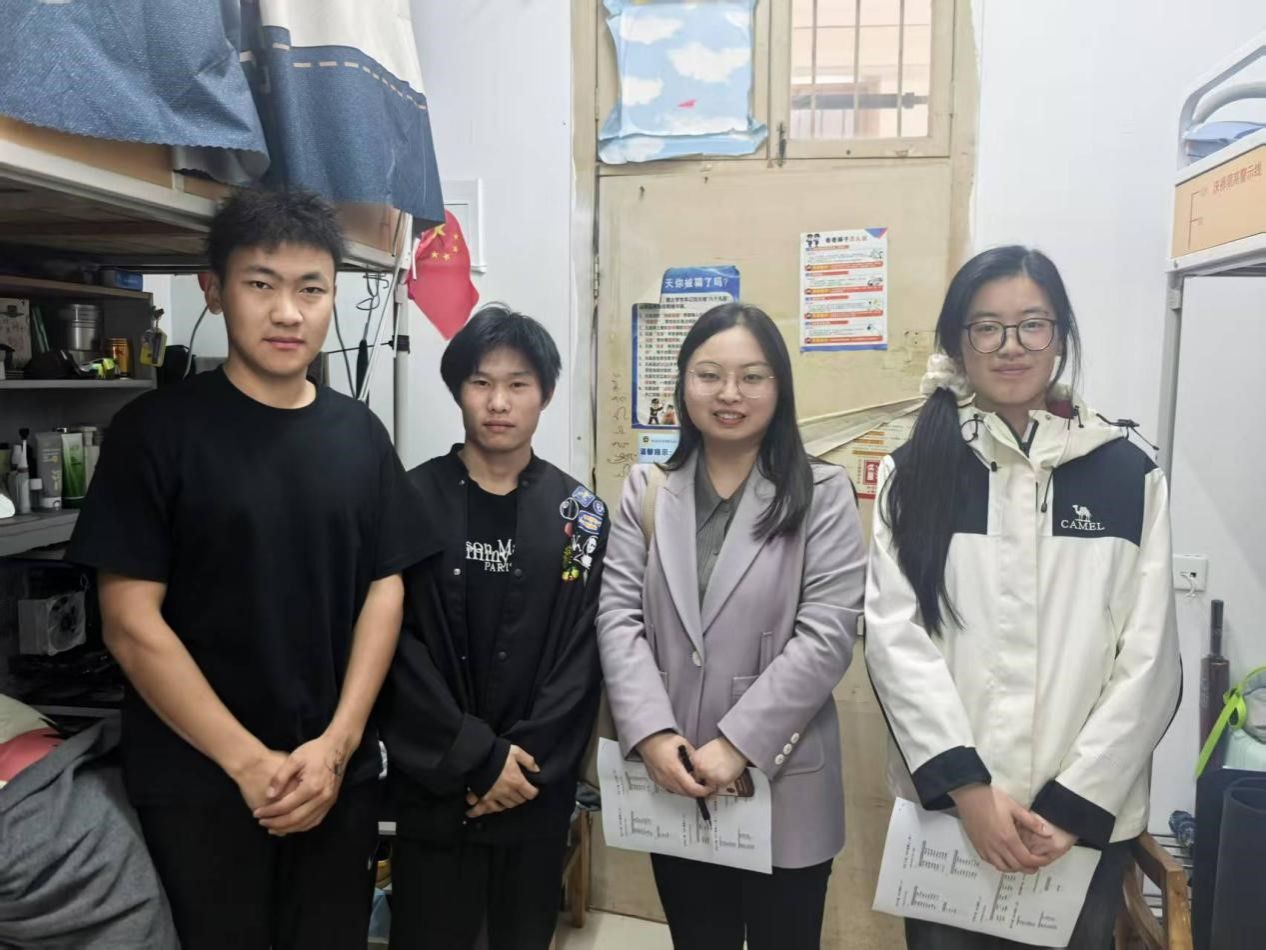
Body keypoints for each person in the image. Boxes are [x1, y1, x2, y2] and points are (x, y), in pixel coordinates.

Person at [66, 188, 428, 950]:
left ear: (333, 295)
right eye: (261, 284)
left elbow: (384, 588)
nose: (288, 313)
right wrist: (249, 763)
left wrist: (336, 747)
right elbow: (130, 624)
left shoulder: (360, 436)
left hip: (335, 781)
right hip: (201, 786)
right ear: (214, 288)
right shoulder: (154, 432)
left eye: (311, 289)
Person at [864, 246, 1182, 949]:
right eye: (987, 327)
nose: (1011, 346)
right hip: (954, 821)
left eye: (1032, 325)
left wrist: (1073, 805)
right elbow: (895, 641)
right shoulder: (914, 473)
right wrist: (970, 792)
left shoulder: (1127, 477)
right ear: (959, 343)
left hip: (1080, 829)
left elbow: (1150, 658)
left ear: (1060, 337)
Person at [596, 302, 865, 949]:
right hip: (675, 773)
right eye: (709, 374)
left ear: (780, 387)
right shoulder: (648, 488)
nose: (729, 394)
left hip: (784, 780)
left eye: (752, 376)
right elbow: (618, 616)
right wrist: (652, 733)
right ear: (683, 383)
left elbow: (826, 637)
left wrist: (738, 743)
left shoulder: (822, 492)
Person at [380, 305, 609, 950]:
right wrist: (473, 759)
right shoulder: (409, 501)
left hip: (531, 789)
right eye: (481, 382)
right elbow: (394, 647)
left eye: (518, 384)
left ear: (546, 394)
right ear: (458, 390)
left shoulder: (580, 518)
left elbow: (584, 653)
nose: (499, 402)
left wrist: (517, 769)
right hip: (436, 784)